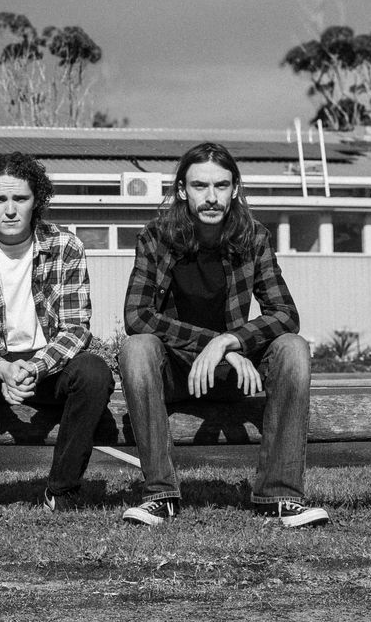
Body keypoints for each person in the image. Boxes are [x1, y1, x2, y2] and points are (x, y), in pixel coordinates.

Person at [118, 141, 327, 529]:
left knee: (293, 347)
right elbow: (137, 315)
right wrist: (213, 343)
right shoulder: (156, 237)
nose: (211, 197)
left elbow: (286, 314)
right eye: (200, 186)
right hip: (178, 373)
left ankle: (281, 496)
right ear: (183, 190)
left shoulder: (253, 237)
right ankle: (160, 496)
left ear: (234, 189)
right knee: (136, 348)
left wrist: (230, 342)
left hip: (236, 376)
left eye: (221, 185)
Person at [0, 152, 113, 513]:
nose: (10, 210)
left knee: (94, 371)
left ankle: (62, 491)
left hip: (49, 367)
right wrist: (1, 369)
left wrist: (34, 368)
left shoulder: (65, 245)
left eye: (20, 198)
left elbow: (75, 329)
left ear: (36, 200)